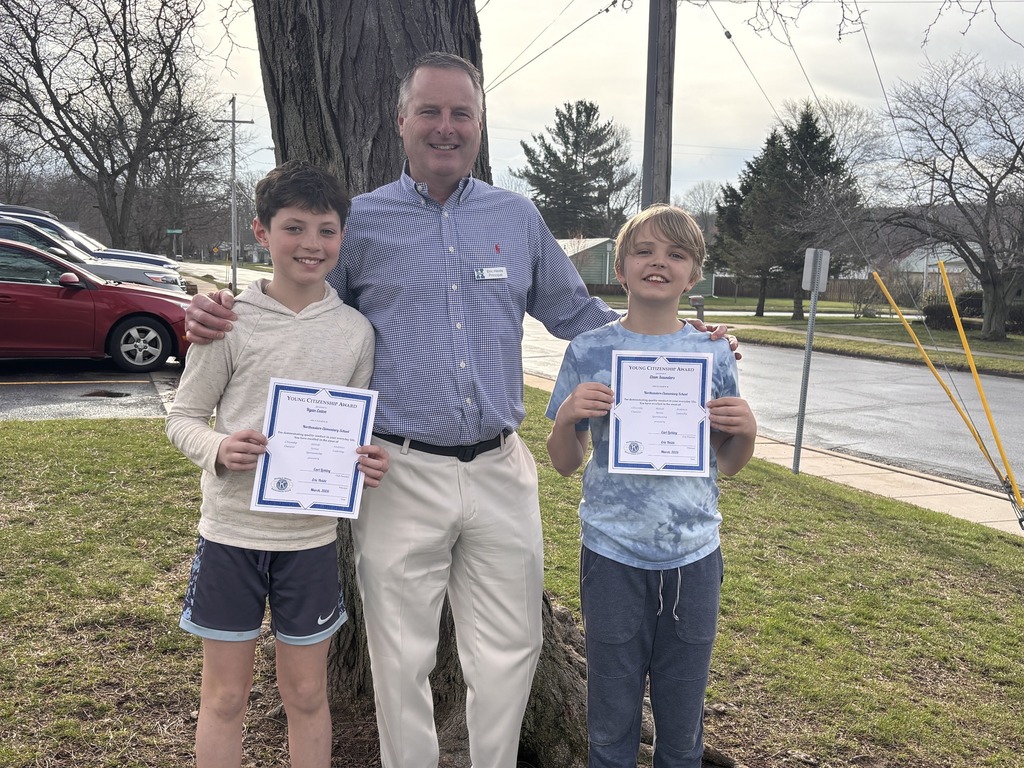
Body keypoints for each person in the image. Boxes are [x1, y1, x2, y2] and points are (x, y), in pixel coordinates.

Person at [184, 52, 738, 768]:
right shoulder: (365, 224)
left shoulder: (517, 217)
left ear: (479, 124)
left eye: (461, 113)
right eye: (430, 112)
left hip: (501, 467)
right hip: (399, 468)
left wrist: (679, 343)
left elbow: (580, 313)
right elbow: (304, 296)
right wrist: (215, 306)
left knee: (513, 646)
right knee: (400, 651)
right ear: (401, 123)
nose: (446, 127)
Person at [166, 160, 389, 768]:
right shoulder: (228, 321)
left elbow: (358, 431)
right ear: (263, 233)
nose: (310, 244)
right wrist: (219, 448)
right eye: (294, 228)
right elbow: (181, 417)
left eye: (325, 230)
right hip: (231, 535)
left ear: (342, 238)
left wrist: (365, 461)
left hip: (310, 541)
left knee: (309, 694)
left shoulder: (355, 333)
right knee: (225, 696)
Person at [545, 204, 756, 767]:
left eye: (676, 254)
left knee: (682, 721)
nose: (659, 262)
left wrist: (748, 431)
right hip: (612, 554)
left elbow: (728, 463)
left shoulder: (712, 352)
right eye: (644, 251)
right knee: (611, 719)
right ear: (621, 268)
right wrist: (567, 417)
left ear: (694, 274)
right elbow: (565, 463)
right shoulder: (589, 350)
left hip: (693, 557)